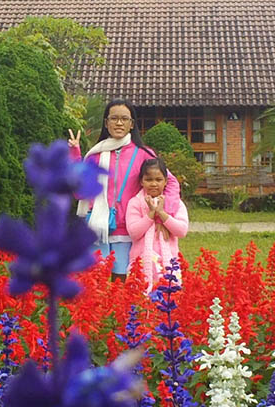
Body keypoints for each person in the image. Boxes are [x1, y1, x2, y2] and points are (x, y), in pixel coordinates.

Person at [68, 99, 180, 280]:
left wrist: (164, 214)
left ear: (132, 124)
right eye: (114, 118)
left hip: (128, 231)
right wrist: (75, 155)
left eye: (124, 119)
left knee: (120, 281)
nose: (119, 123)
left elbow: (171, 183)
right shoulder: (95, 155)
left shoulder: (144, 154)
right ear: (106, 123)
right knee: (95, 280)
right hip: (97, 228)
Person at [126, 157, 189, 293]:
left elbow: (182, 231)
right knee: (140, 298)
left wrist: (162, 213)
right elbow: (134, 233)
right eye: (149, 180)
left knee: (168, 298)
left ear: (166, 181)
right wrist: (151, 214)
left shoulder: (175, 204)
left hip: (168, 262)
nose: (154, 184)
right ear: (141, 181)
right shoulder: (135, 203)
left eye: (158, 179)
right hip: (142, 262)